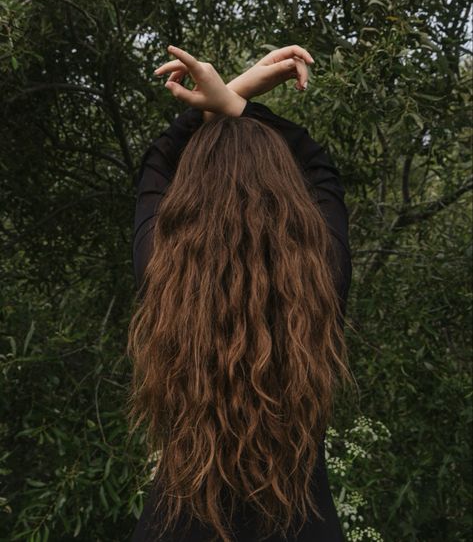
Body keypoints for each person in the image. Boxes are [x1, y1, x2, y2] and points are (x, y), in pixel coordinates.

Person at [127, 45, 353, 542]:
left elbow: (157, 165)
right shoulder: (320, 277)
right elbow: (320, 169)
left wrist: (230, 94)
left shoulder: (162, 273)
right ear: (289, 202)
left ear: (184, 204)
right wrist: (238, 103)